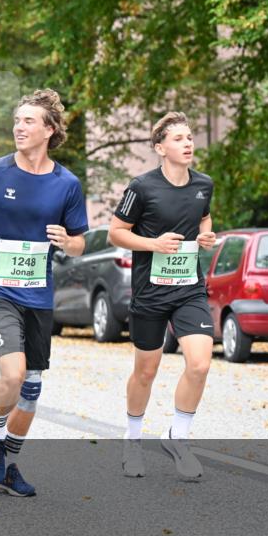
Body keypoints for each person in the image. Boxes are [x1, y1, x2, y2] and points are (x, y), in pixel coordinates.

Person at [0, 89, 89, 497]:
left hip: (39, 294)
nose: (19, 127)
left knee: (31, 389)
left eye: (28, 121)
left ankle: (9, 461)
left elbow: (80, 244)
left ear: (49, 130)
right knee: (13, 374)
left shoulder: (66, 184)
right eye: (17, 120)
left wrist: (67, 242)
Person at [108, 111, 217, 480]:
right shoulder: (142, 187)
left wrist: (206, 236)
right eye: (178, 139)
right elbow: (116, 233)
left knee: (200, 363)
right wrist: (153, 243)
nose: (188, 144)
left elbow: (203, 218)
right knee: (146, 371)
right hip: (150, 293)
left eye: (190, 137)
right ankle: (133, 440)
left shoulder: (204, 184)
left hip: (189, 290)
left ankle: (178, 437)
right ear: (160, 148)